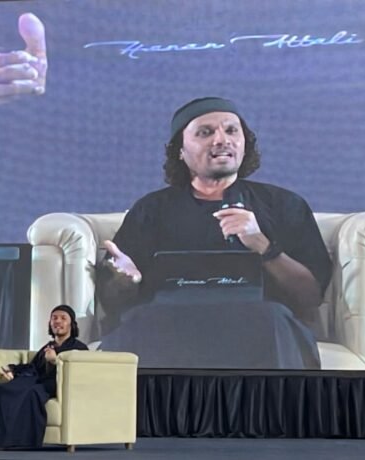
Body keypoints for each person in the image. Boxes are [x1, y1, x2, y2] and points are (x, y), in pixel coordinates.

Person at [95, 96, 333, 369]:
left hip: (262, 328)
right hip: (166, 328)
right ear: (180, 151)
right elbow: (113, 299)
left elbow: (310, 296)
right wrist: (124, 281)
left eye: (231, 130)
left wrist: (265, 248)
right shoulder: (151, 210)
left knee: (273, 320)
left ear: (245, 144)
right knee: (140, 323)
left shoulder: (284, 205)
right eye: (205, 132)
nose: (222, 140)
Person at [0, 304, 88, 449]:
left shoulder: (79, 348)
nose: (58, 321)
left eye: (63, 318)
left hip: (57, 384)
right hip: (38, 380)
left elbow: (79, 373)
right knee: (3, 389)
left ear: (71, 324)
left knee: (32, 392)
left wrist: (55, 360)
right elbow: (33, 367)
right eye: (54, 318)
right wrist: (13, 370)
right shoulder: (48, 347)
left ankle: (20, 441)